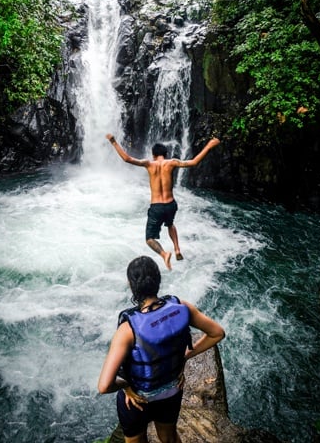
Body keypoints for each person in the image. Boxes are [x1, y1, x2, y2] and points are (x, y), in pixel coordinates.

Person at [98, 255, 225, 443]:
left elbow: (104, 386)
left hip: (137, 401)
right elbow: (217, 333)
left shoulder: (128, 330)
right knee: (169, 437)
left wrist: (127, 386)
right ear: (158, 281)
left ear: (131, 285)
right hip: (171, 391)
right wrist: (186, 356)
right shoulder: (181, 306)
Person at [106, 133, 220, 270]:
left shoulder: (148, 164)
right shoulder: (172, 162)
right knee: (170, 224)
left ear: (153, 155)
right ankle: (177, 249)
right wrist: (209, 145)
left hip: (156, 207)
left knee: (149, 239)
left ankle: (164, 254)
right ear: (165, 154)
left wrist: (113, 141)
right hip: (171, 204)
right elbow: (194, 162)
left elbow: (127, 158)